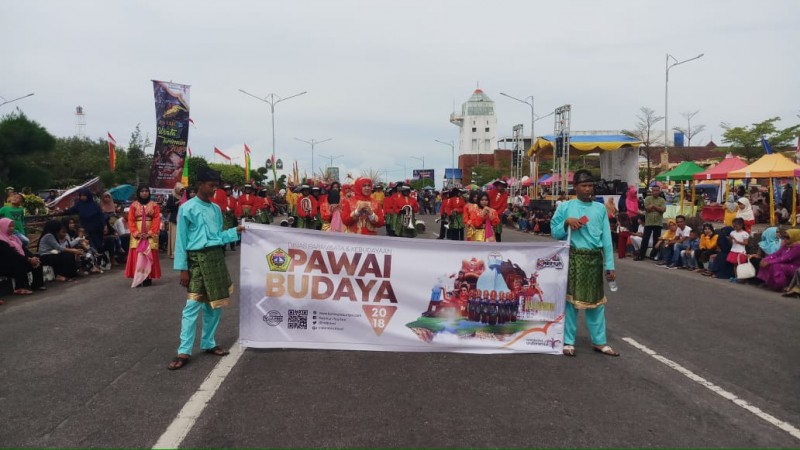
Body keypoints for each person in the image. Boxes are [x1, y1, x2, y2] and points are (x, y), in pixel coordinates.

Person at [168, 168, 245, 371]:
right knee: (192, 306)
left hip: (215, 259)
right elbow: (181, 240)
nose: (214, 189)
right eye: (211, 185)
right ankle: (184, 350)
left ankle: (208, 342)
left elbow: (217, 237)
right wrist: (182, 268)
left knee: (215, 306)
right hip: (195, 261)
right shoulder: (187, 208)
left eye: (216, 186)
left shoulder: (216, 209)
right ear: (200, 184)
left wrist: (235, 231)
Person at [550, 169, 618, 357]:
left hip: (594, 259)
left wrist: (609, 266)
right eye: (584, 185)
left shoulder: (600, 209)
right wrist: (566, 223)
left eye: (591, 185)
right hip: (574, 258)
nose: (588, 189)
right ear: (576, 187)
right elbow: (555, 233)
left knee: (597, 303)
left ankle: (599, 341)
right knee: (571, 302)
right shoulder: (565, 207)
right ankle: (568, 341)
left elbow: (606, 239)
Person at [125, 185, 162, 287]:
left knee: (149, 254)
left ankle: (147, 278)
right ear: (138, 193)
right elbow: (131, 220)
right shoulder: (133, 205)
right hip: (137, 234)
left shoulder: (154, 205)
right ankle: (138, 277)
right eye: (142, 191)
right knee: (137, 254)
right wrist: (136, 233)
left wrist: (150, 233)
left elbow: (156, 220)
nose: (144, 193)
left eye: (146, 191)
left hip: (150, 233)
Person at [0, 218, 44, 297]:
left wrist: (33, 257)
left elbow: (24, 250)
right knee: (20, 262)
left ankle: (37, 284)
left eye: (13, 226)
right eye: (9, 226)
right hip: (5, 266)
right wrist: (29, 260)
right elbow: (12, 254)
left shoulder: (14, 238)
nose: (12, 228)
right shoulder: (1, 240)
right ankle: (20, 287)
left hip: (16, 261)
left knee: (37, 258)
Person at [635, 185, 666, 261]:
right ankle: (641, 255)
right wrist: (657, 209)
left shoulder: (662, 200)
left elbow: (663, 210)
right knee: (645, 239)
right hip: (648, 222)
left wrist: (653, 206)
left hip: (658, 222)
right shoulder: (648, 199)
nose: (655, 192)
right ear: (652, 191)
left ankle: (653, 255)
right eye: (654, 190)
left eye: (657, 190)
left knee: (656, 240)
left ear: (659, 191)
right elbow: (647, 209)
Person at [163, 182, 184, 259]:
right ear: (177, 189)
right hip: (174, 219)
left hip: (182, 219)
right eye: (180, 190)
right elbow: (168, 207)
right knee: (174, 237)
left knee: (181, 237)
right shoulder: (171, 197)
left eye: (182, 190)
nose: (182, 192)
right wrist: (178, 202)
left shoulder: (184, 196)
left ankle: (181, 252)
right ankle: (173, 253)